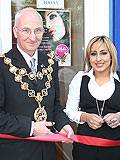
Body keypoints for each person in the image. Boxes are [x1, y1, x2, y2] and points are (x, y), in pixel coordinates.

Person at [0, 7, 74, 160]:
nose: (33, 37)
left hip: (47, 153)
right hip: (14, 153)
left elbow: (55, 105)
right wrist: (31, 128)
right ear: (15, 31)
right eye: (26, 30)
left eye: (38, 30)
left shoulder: (51, 63)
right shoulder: (2, 65)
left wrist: (64, 125)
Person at [65, 35, 120, 160]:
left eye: (103, 53)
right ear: (89, 58)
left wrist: (119, 116)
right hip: (85, 150)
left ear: (111, 56)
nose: (98, 59)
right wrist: (86, 117)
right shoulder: (80, 79)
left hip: (115, 151)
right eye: (93, 54)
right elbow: (69, 111)